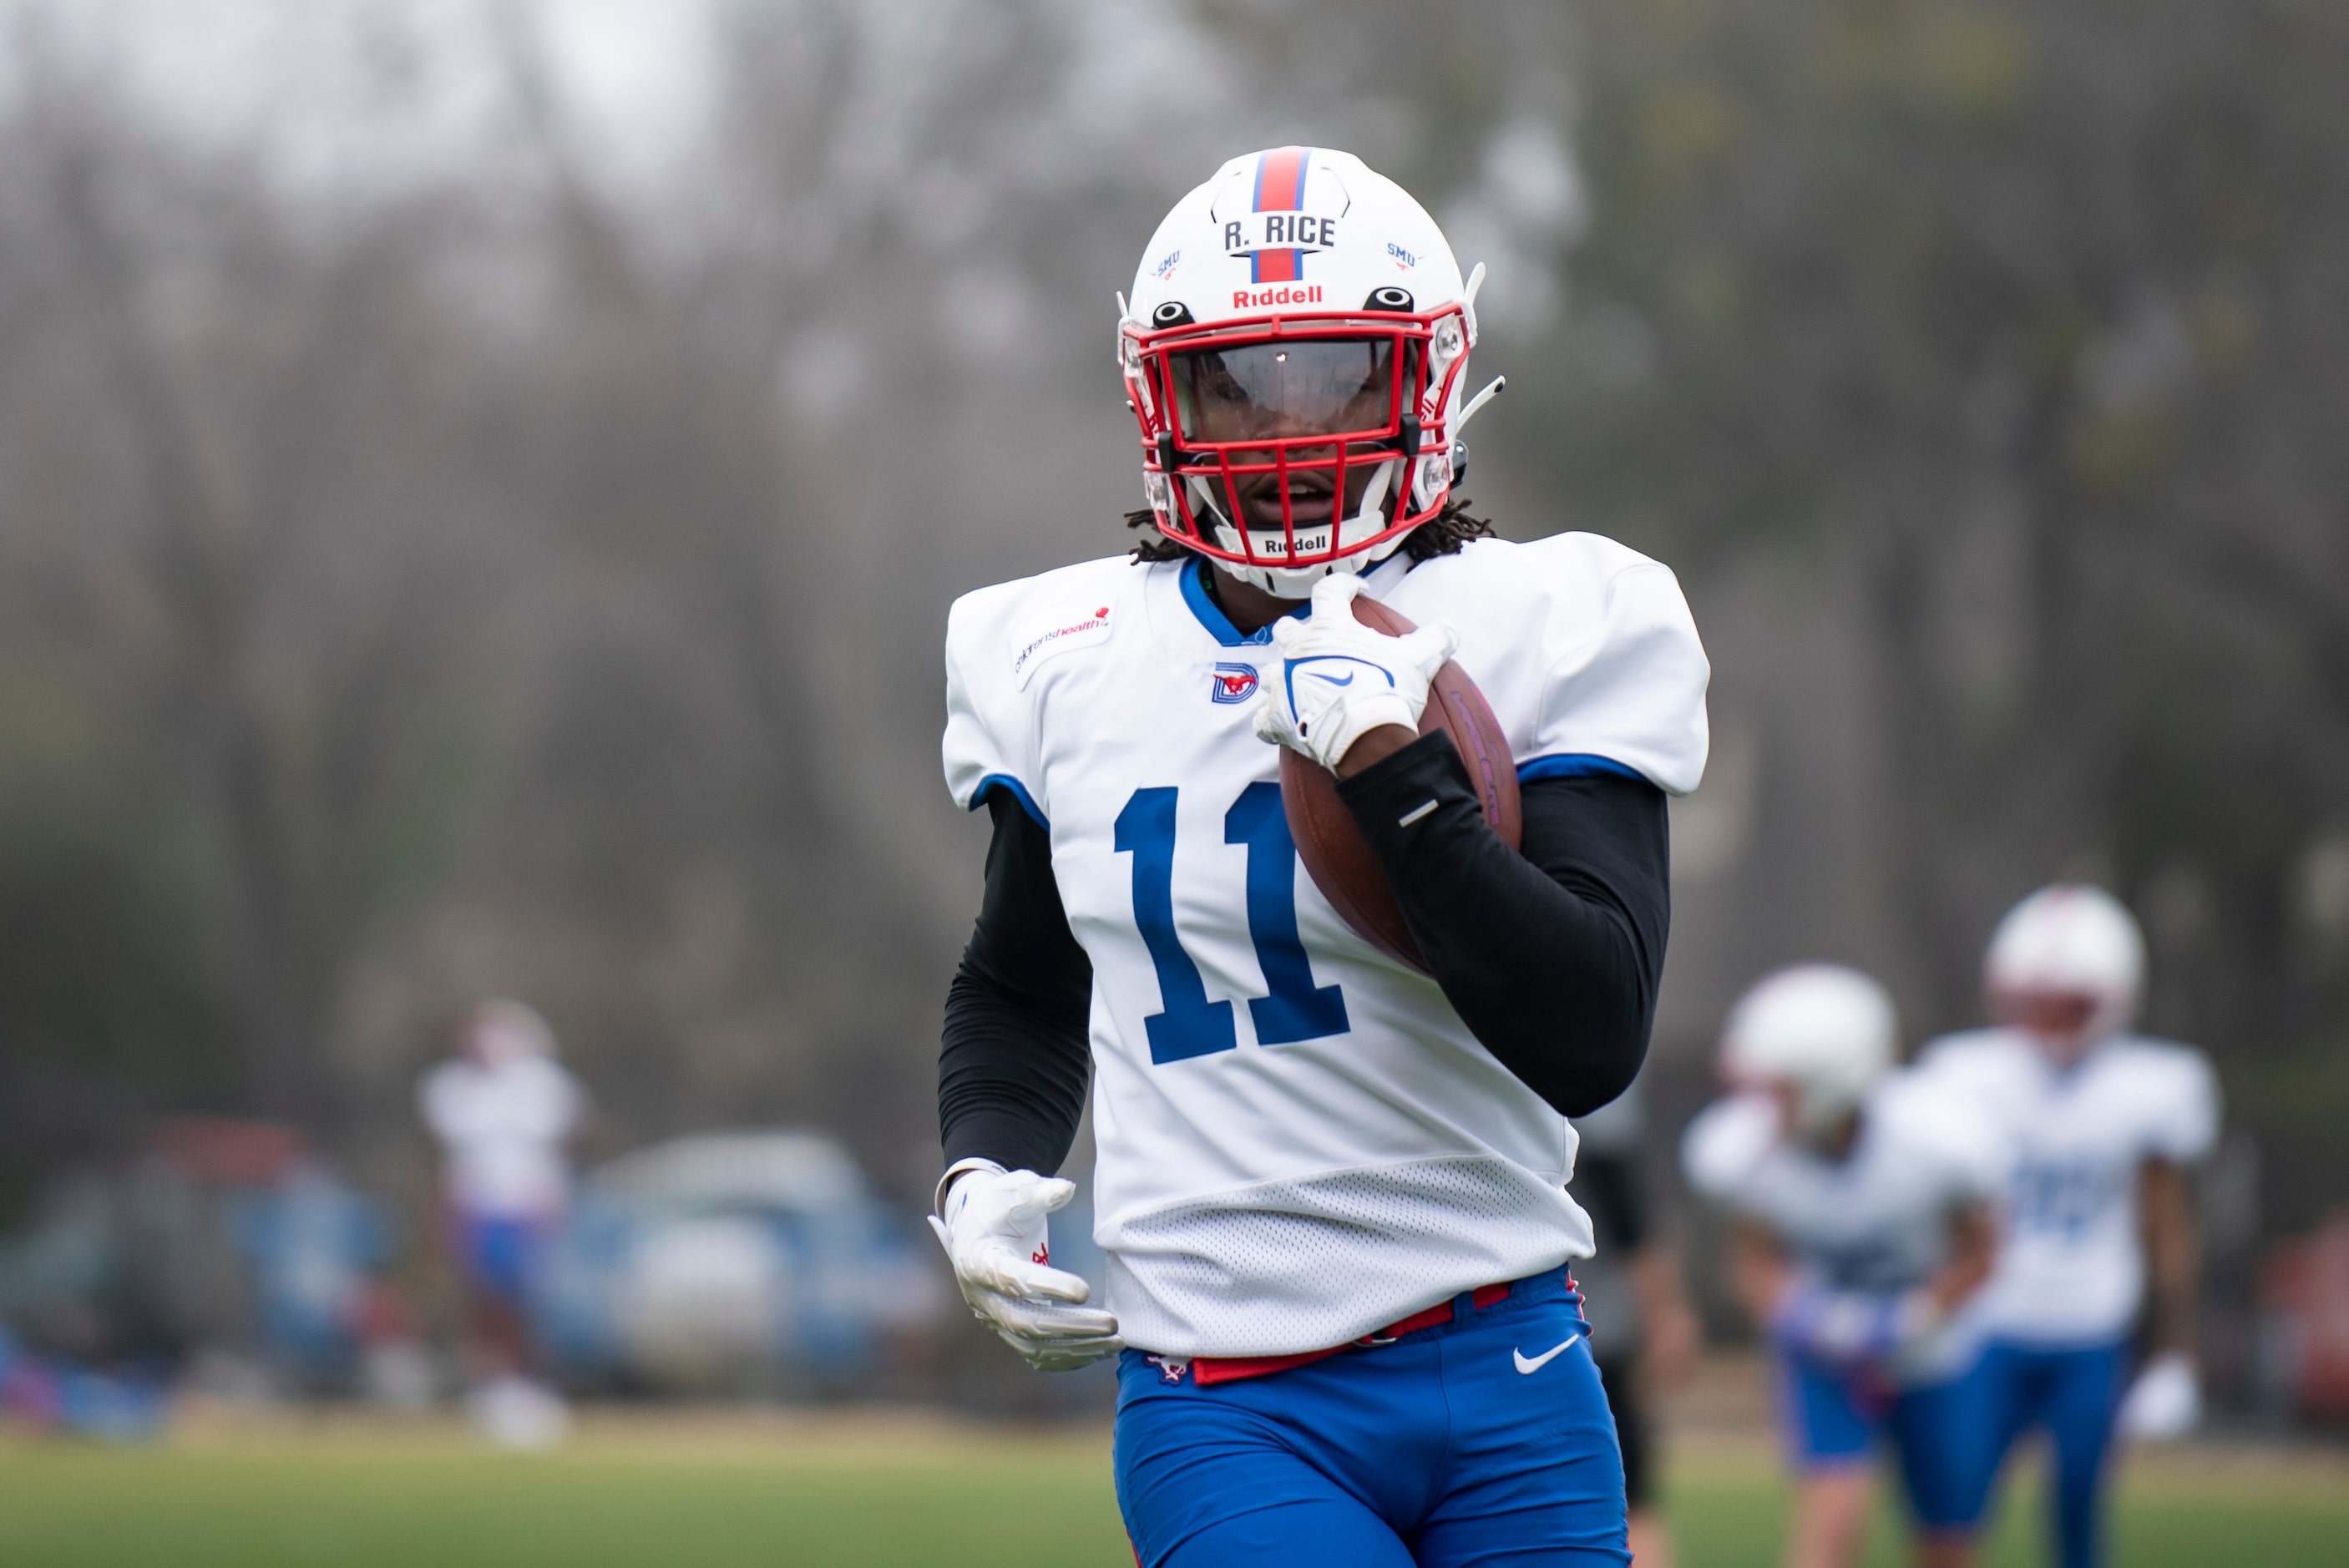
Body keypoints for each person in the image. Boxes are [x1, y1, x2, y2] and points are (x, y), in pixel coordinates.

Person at [926, 146, 1709, 1566]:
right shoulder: (1062, 657)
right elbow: (1022, 985)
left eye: (1337, 370)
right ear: (1163, 394)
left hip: (1509, 1357)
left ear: (1426, 375)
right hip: (1227, 1393)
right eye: (1241, 378)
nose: (1289, 421)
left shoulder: (1549, 621)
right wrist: (981, 1169)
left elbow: (1591, 1026)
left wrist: (1400, 773)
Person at [1918, 886, 2219, 1568]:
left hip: (2090, 1326)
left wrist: (2174, 1353)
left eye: (2068, 1006)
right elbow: (1936, 1218)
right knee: (1953, 1514)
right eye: (2035, 1003)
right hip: (1985, 1325)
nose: (2050, 1023)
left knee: (2078, 1512)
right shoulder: (1963, 1075)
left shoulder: (2152, 1086)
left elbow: (2167, 1231)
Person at [1680, 965, 2003, 1568]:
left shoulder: (1937, 1141)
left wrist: (1914, 1317)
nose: (1760, 1105)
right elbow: (1753, 1262)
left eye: (1781, 1087)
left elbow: (1984, 1253)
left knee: (1947, 1544)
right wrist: (1809, 1317)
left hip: (1937, 1353)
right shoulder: (1742, 1153)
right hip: (1824, 1352)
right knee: (1831, 1518)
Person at [418, 997, 586, 1448]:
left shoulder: (543, 1087)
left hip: (526, 1208)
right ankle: (494, 1388)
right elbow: (454, 1151)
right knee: (482, 1301)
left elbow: (553, 1144)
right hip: (478, 1207)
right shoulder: (450, 1088)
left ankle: (535, 1390)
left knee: (526, 1301)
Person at [1571, 1084, 1703, 1568]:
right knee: (1626, 1501)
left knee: (1625, 1498)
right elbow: (1630, 1209)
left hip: (1577, 1321)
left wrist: (1665, 1313)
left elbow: (1627, 1206)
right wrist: (1668, 1311)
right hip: (1578, 1322)